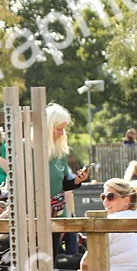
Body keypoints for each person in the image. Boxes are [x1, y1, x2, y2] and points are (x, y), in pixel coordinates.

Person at [47, 104, 91, 255]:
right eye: (58, 128)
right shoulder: (26, 147)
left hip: (56, 212)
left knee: (52, 256)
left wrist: (78, 180)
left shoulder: (60, 152)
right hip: (33, 213)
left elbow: (64, 183)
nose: (61, 133)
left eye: (63, 129)